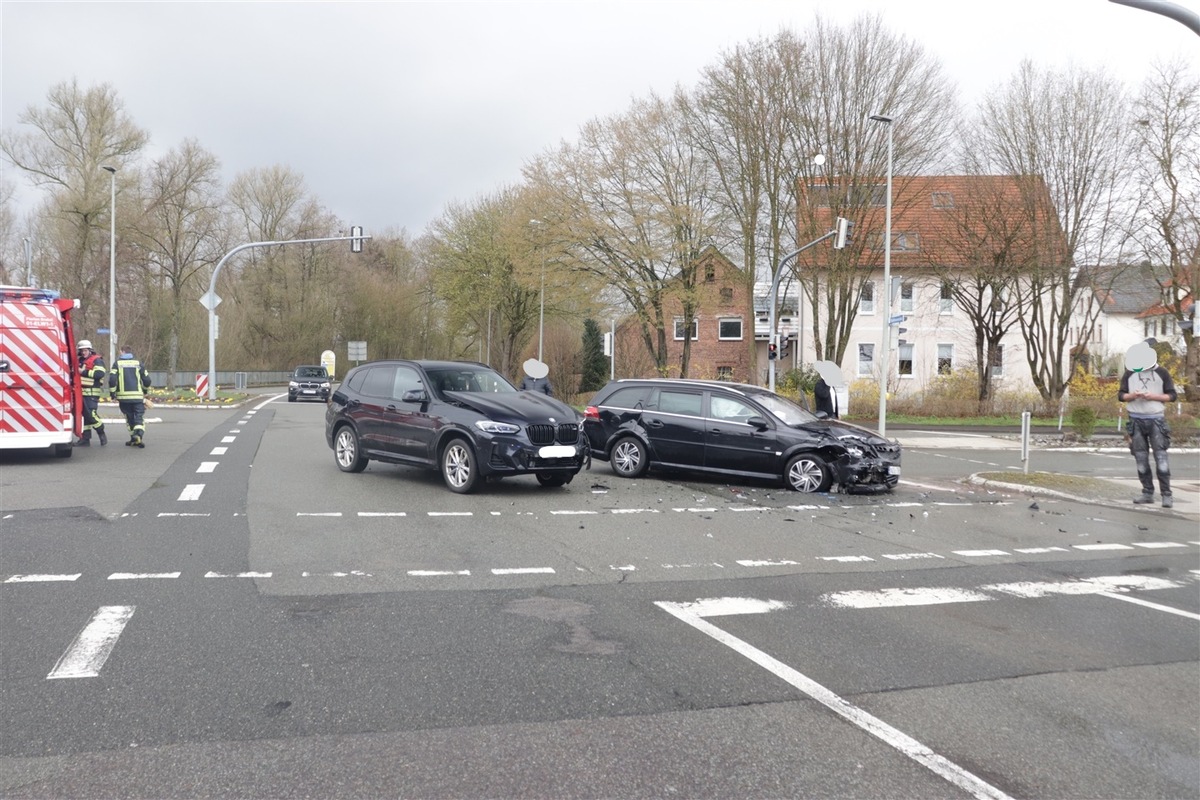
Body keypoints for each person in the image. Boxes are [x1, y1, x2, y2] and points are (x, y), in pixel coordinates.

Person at [1118, 339, 1176, 508]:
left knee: (1161, 457)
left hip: (1156, 419)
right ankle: (1147, 492)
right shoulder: (1130, 373)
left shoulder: (1162, 373)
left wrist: (1153, 397)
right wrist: (1132, 396)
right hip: (1135, 419)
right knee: (1140, 458)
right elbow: (1121, 395)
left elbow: (1172, 395)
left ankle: (1166, 494)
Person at [110, 344, 151, 448]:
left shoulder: (117, 364)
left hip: (123, 398)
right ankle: (138, 435)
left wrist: (112, 394)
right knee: (139, 417)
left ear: (122, 352)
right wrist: (145, 391)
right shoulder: (138, 363)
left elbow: (112, 380)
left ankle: (133, 438)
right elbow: (147, 380)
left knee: (129, 417)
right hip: (137, 397)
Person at [75, 339, 108, 446]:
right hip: (81, 393)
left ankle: (101, 432)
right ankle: (85, 439)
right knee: (84, 416)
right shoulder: (80, 361)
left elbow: (99, 374)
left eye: (85, 350)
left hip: (92, 393)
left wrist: (83, 372)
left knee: (91, 414)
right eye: (81, 351)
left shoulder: (97, 360)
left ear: (90, 350)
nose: (83, 353)